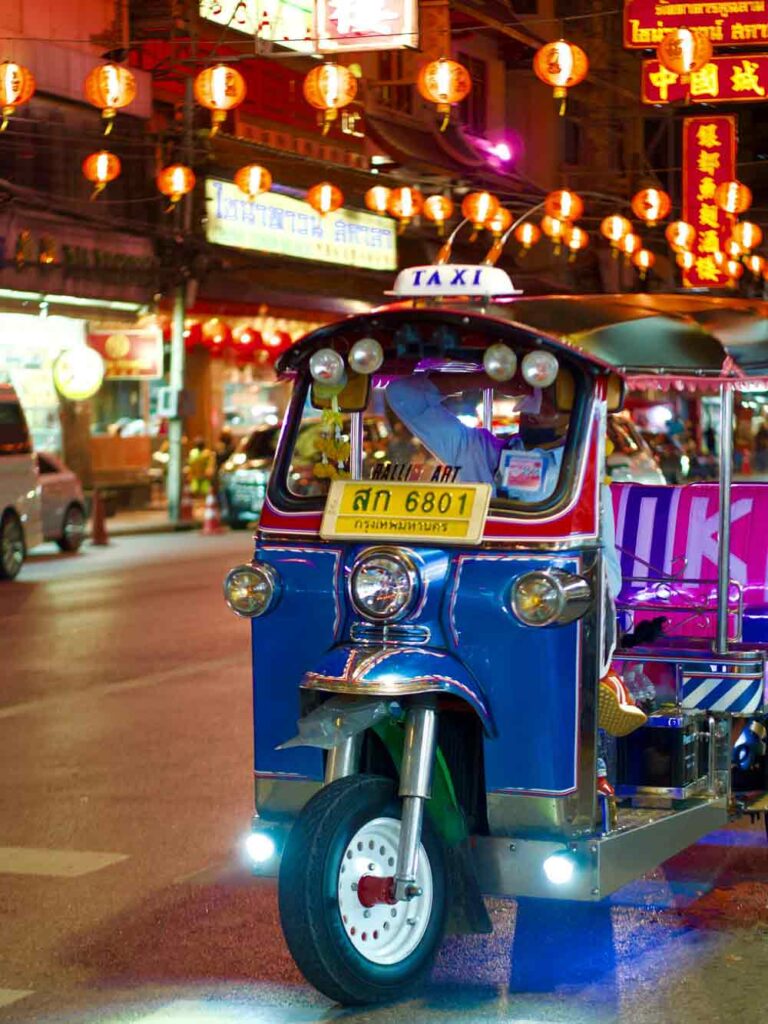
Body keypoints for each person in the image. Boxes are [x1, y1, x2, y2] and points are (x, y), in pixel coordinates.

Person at [386, 369, 644, 737]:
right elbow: (403, 393)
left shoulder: (585, 474)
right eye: (533, 396)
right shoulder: (481, 451)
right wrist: (488, 379)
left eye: (553, 401)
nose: (536, 408)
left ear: (579, 412)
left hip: (552, 610)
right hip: (478, 608)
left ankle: (599, 693)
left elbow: (602, 577)